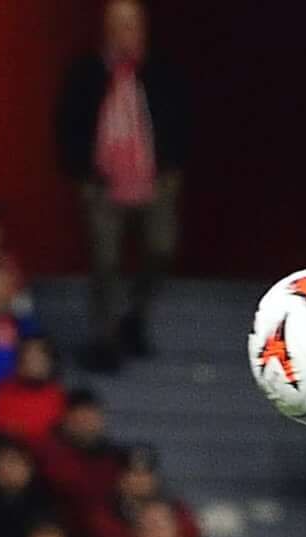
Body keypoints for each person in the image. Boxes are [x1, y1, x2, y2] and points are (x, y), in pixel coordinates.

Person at [56, 1, 186, 371]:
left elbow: (181, 118)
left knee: (161, 248)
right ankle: (105, 337)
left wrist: (174, 166)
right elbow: (68, 124)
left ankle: (136, 316)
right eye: (118, 26)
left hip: (156, 181)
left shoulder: (162, 72)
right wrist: (79, 173)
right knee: (105, 261)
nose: (125, 33)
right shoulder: (86, 73)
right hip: (102, 184)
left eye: (131, 25)